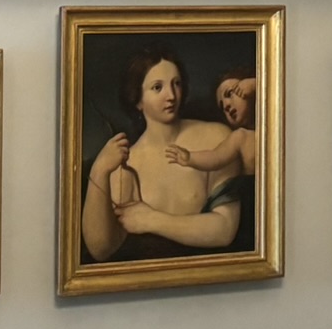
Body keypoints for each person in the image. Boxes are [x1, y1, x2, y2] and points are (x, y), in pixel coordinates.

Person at [82, 47, 253, 263]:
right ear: (138, 99)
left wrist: (151, 220)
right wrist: (99, 171)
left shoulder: (216, 138)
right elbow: (101, 249)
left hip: (214, 274)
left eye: (176, 84)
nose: (171, 96)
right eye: (157, 87)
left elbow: (225, 229)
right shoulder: (126, 163)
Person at [166, 68, 259, 178]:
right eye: (222, 107)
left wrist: (254, 84)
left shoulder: (274, 117)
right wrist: (190, 158)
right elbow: (215, 157)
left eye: (229, 94)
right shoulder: (241, 137)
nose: (226, 105)